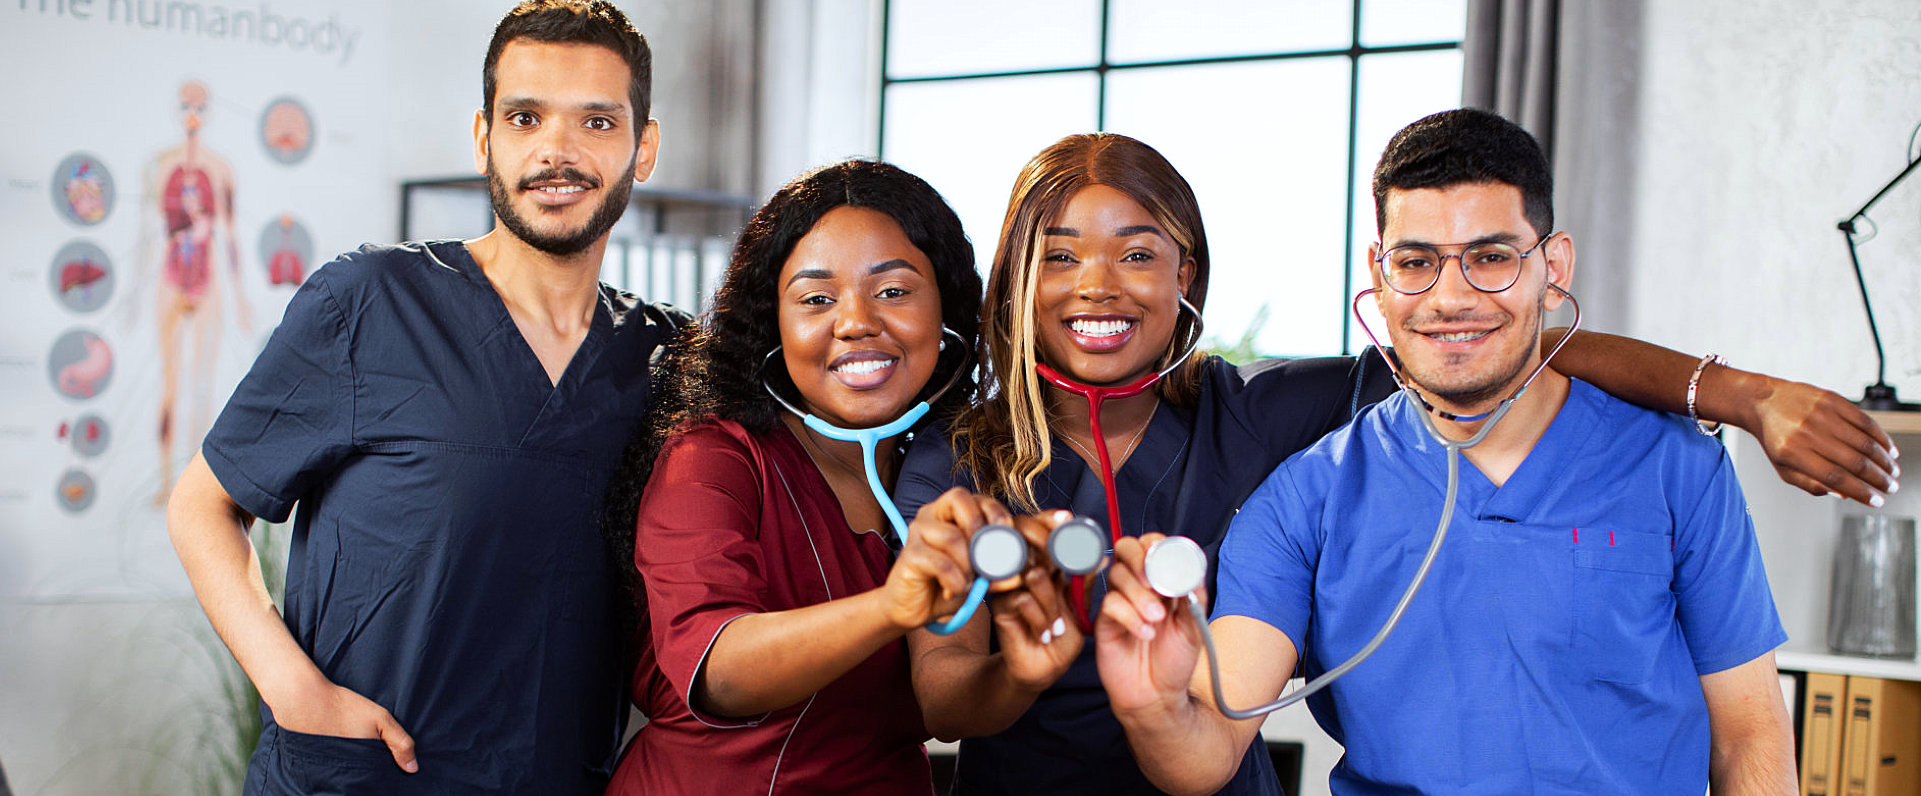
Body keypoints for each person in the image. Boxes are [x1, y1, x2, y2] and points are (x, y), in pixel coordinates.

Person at [893, 131, 1897, 795]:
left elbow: (1487, 346)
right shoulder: (965, 459)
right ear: (1379, 271)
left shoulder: (1263, 416)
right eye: (1058, 255)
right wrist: (1136, 692)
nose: (1098, 284)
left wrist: (1736, 395)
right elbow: (947, 699)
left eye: (1139, 251)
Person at [1100, 108, 1810, 795]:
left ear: (1552, 267)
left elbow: (1748, 733)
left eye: (1490, 258)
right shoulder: (1302, 501)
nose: (1450, 298)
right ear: (1379, 275)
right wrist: (1151, 707)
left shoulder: (1675, 466)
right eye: (1415, 262)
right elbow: (1204, 758)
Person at [166, 2, 676, 792]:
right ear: (484, 139)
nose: (556, 150)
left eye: (598, 123)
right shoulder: (369, 303)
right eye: (525, 116)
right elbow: (203, 503)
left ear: (643, 148)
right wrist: (292, 690)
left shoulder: (667, 358)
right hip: (359, 774)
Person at [601, 159, 1053, 794]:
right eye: (816, 299)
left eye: (893, 291)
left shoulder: (955, 472)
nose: (856, 322)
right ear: (772, 327)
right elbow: (720, 671)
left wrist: (1023, 673)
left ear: (946, 310)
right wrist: (891, 605)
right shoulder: (712, 459)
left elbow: (948, 707)